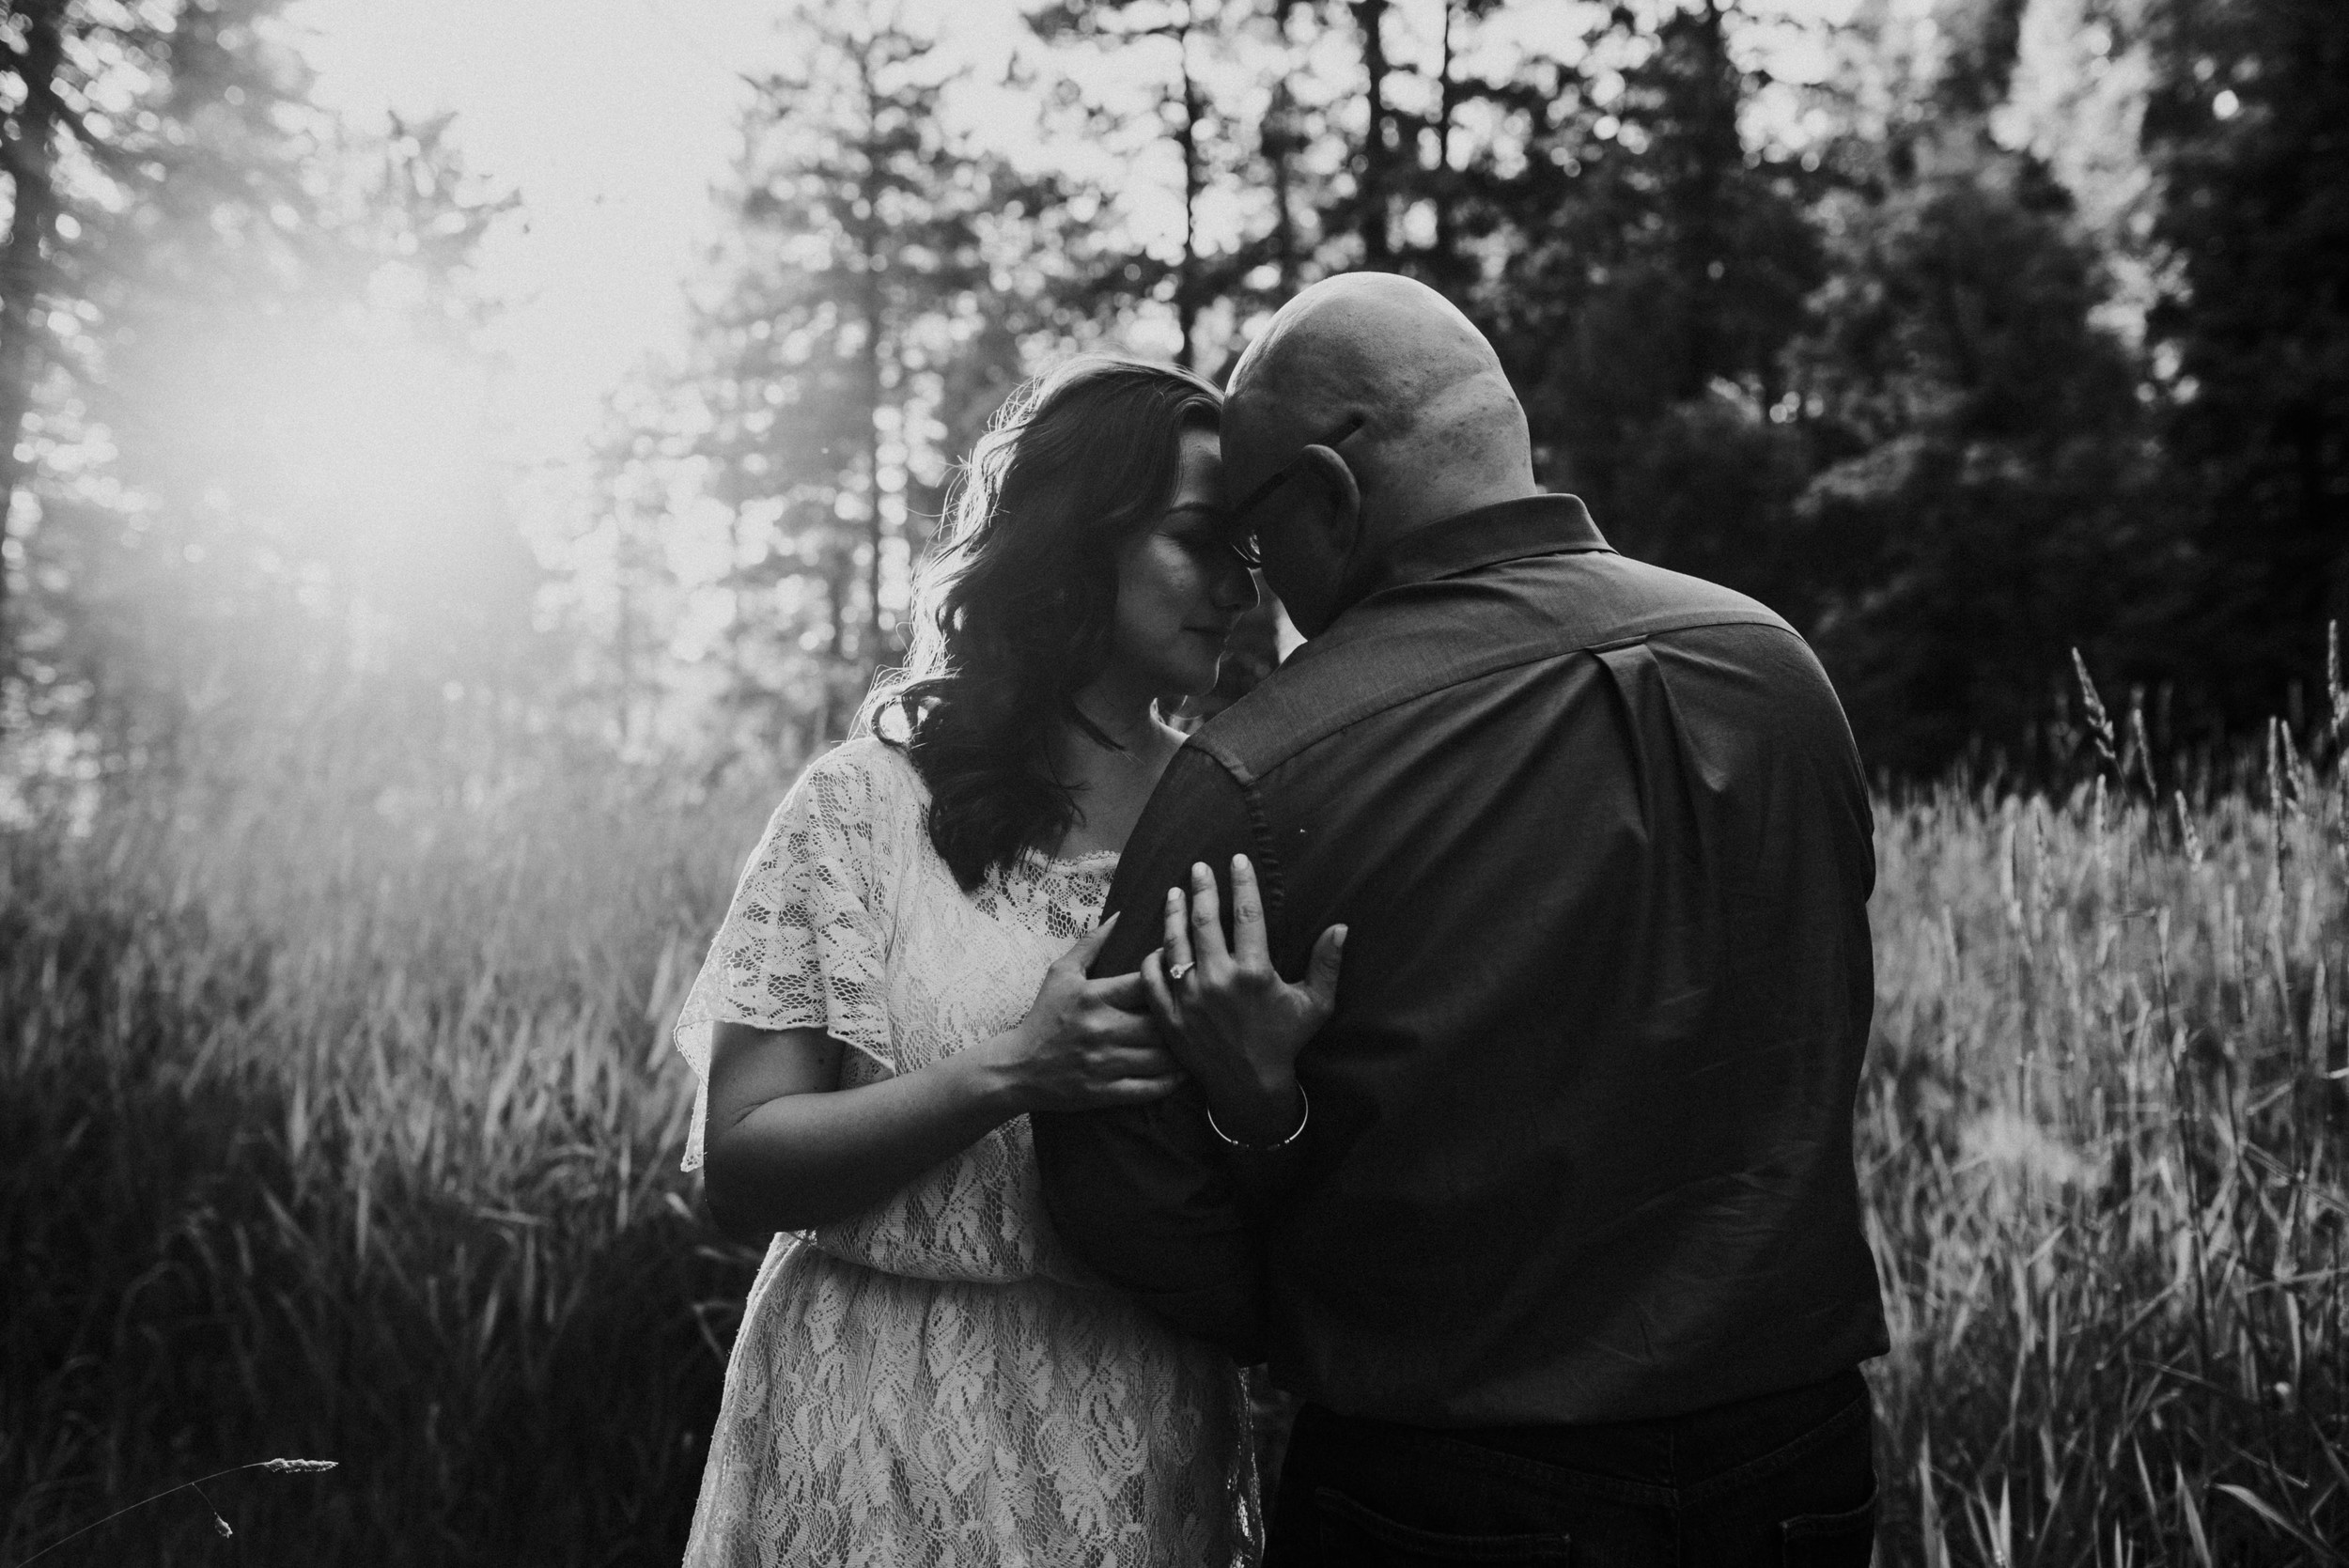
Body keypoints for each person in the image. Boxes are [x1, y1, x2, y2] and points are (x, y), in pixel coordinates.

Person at [1033, 273, 1890, 1564]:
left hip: (1444, 1487)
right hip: (1795, 1464)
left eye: (1262, 545)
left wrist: (1304, 1311)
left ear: (1329, 493)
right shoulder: (1778, 673)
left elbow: (1121, 1187)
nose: (1261, 594)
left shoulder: (1260, 775)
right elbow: (1821, 1031)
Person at [672, 355, 1333, 1567]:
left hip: (1133, 1436)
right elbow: (744, 1162)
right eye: (1200, 540)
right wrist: (1012, 1072)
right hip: (877, 1414)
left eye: (1250, 548)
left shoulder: (1233, 806)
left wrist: (1264, 1094)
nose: (1240, 586)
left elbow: (1276, 1212)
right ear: (1078, 542)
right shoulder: (865, 806)